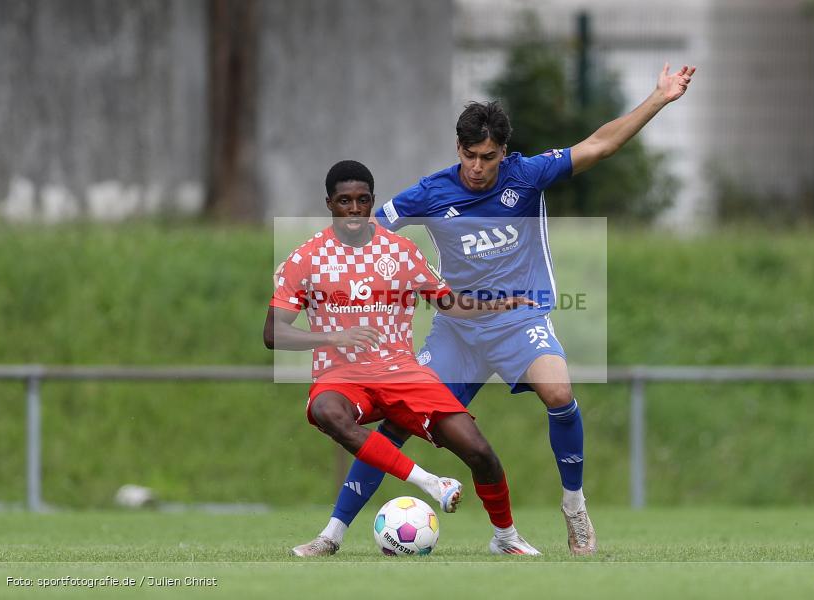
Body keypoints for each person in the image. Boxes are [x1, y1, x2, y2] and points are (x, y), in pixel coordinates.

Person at [284, 64, 696, 557]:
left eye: (489, 157)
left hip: (519, 320)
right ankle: (331, 534)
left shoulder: (528, 175)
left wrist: (659, 98)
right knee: (396, 425)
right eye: (469, 155)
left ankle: (573, 505)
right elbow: (368, 232)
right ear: (458, 148)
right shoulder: (432, 191)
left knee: (559, 391)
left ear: (504, 151)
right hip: (457, 330)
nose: (478, 167)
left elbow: (600, 145)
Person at [266, 160, 542, 556]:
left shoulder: (401, 251)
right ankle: (426, 484)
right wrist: (332, 336)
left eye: (362, 200)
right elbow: (273, 332)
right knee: (327, 411)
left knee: (478, 451)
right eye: (344, 201)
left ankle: (506, 538)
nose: (354, 209)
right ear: (329, 203)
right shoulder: (306, 258)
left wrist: (499, 304)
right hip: (342, 376)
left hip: (401, 374)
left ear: (372, 201)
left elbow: (449, 303)